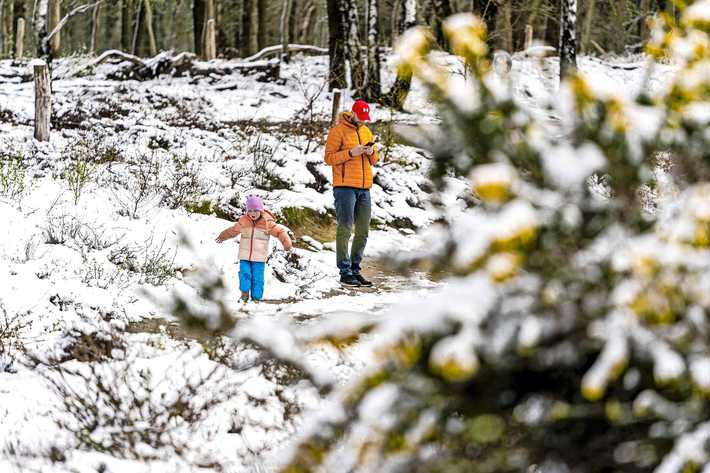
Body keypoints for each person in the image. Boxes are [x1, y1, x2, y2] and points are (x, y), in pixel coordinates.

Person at [324, 99, 379, 287]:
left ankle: (355, 270)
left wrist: (370, 152)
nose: (363, 121)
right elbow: (329, 158)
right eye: (361, 117)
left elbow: (375, 160)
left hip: (365, 188)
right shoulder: (338, 131)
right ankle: (344, 271)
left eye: (366, 118)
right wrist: (351, 153)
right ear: (352, 113)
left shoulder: (365, 131)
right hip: (344, 187)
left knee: (363, 230)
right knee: (345, 228)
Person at [215, 195, 293, 302]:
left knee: (257, 279)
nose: (252, 213)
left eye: (255, 210)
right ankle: (244, 294)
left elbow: (280, 232)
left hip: (259, 257)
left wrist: (287, 244)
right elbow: (233, 230)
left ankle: (256, 298)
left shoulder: (267, 223)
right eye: (250, 210)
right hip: (244, 256)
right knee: (244, 273)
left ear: (261, 210)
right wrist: (222, 236)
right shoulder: (244, 221)